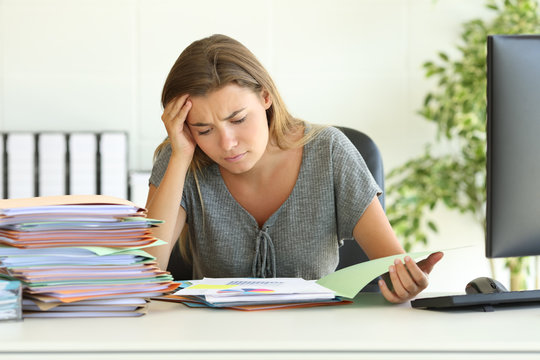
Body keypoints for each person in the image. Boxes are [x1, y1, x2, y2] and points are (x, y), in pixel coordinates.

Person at [145, 34, 443, 304]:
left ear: (265, 97)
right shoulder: (182, 158)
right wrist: (180, 156)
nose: (227, 143)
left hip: (316, 337)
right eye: (204, 129)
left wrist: (406, 284)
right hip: (217, 339)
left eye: (237, 120)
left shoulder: (328, 151)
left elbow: (391, 266)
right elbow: (147, 273)